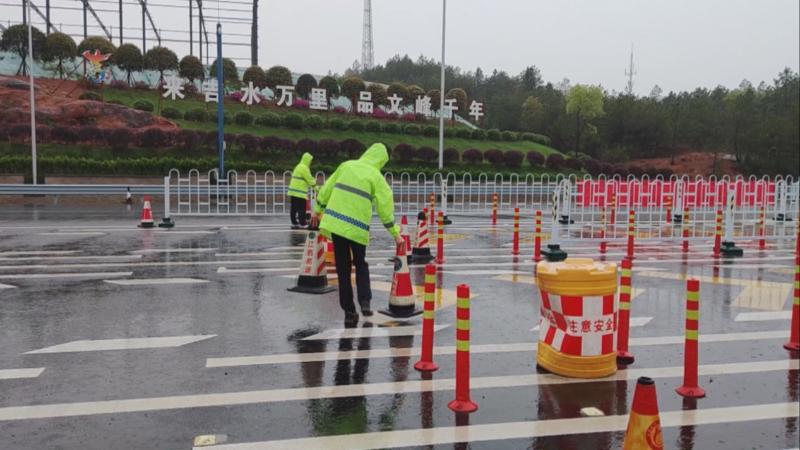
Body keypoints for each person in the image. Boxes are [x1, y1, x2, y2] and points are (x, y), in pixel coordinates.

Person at [310, 143, 404, 326]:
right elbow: (385, 208)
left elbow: (327, 188)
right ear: (381, 161)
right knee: (360, 264)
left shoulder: (346, 166)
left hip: (337, 226)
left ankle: (349, 311)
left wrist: (318, 209)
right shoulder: (376, 177)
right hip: (357, 228)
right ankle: (365, 302)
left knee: (343, 269)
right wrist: (396, 234)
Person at [287, 152, 318, 229]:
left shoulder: (298, 166)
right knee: (302, 208)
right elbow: (309, 179)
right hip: (299, 192)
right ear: (307, 160)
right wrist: (316, 188)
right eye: (310, 160)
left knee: (294, 208)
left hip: (293, 191)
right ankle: (302, 223)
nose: (311, 162)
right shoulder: (304, 168)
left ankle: (294, 223)